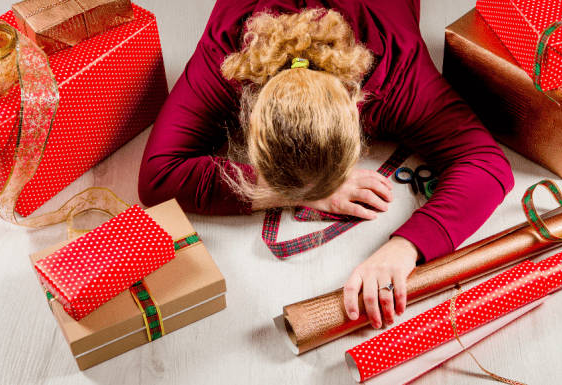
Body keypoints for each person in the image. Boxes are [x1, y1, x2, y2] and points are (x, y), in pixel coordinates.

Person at [139, 0, 514, 330]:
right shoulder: (227, 60)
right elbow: (159, 176)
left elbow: (485, 163)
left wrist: (405, 249)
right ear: (249, 114)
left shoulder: (398, 72)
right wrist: (301, 189)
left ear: (357, 112)